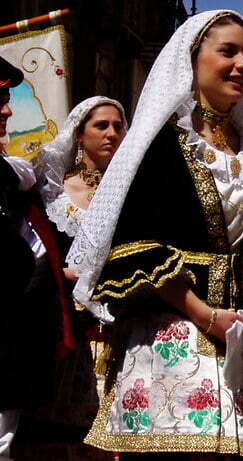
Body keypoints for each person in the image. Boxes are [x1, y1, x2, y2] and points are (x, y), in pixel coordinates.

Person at [68, 10, 243, 458]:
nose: (242, 65)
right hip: (173, 333)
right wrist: (206, 316)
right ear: (192, 61)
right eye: (227, 51)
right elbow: (138, 245)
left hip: (242, 340)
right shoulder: (163, 144)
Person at [9, 97, 127, 459]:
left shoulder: (129, 192)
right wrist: (59, 278)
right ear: (79, 134)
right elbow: (29, 252)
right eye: (101, 125)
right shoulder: (50, 192)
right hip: (61, 324)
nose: (111, 133)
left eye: (118, 127)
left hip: (116, 325)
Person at [0, 55, 73, 461]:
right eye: (0, 98)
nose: (8, 109)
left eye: (8, 97)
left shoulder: (13, 180)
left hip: (14, 352)